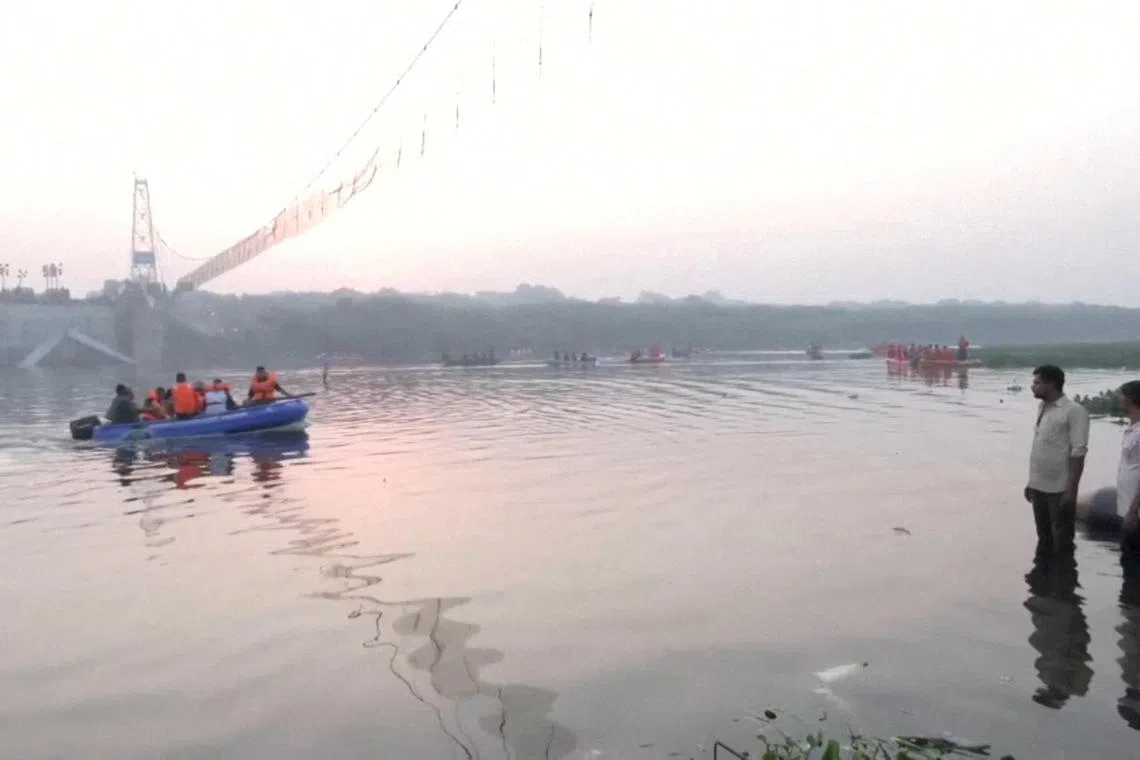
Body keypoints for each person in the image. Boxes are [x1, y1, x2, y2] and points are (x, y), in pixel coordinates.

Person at [1025, 364, 1089, 561]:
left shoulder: (1074, 411)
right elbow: (1042, 449)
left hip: (1059, 488)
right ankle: (1042, 581)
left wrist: (1071, 489)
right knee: (1043, 537)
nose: (1032, 387)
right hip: (1039, 486)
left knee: (1061, 539)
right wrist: (1031, 482)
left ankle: (1064, 584)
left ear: (1051, 383)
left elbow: (1078, 452)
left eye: (1037, 382)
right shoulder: (1043, 407)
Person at [1115, 381, 1140, 572]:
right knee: (1127, 560)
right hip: (1128, 506)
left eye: (1122, 394)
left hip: (1136, 510)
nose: (1119, 398)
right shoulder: (1133, 427)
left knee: (1132, 561)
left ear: (1131, 398)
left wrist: (1133, 510)